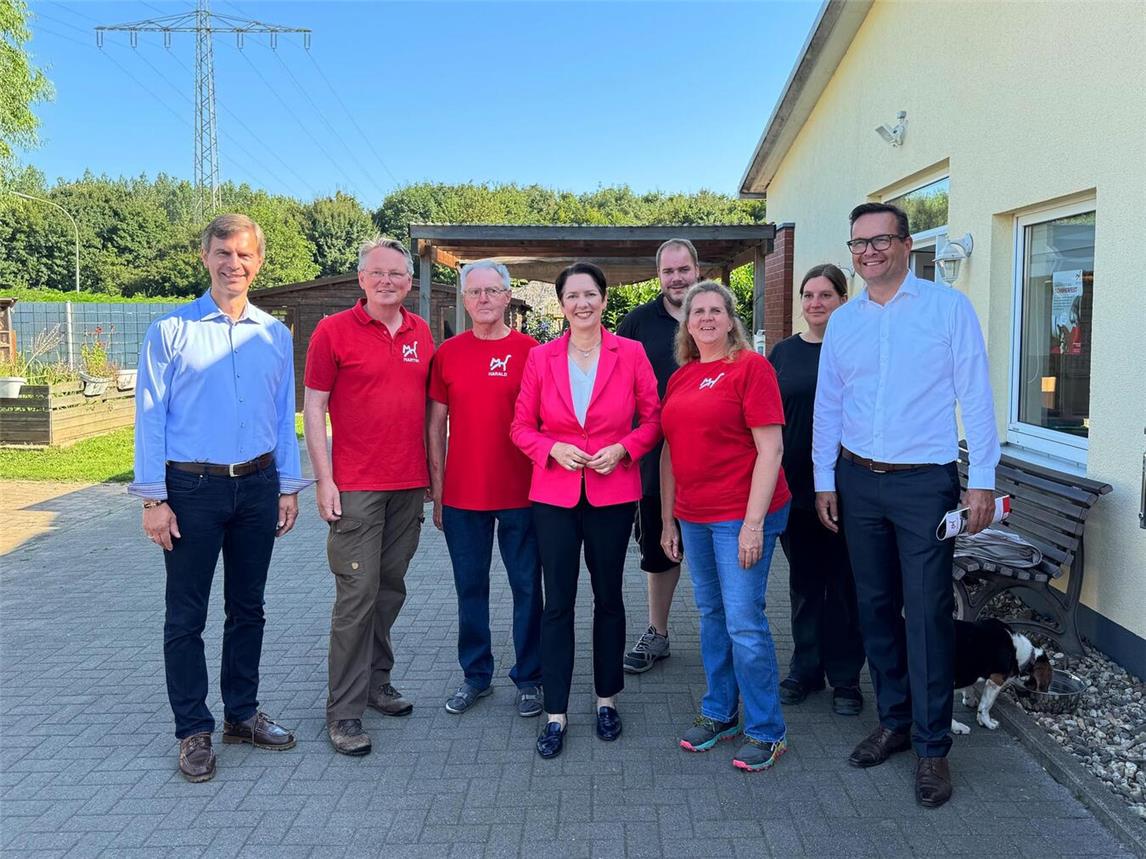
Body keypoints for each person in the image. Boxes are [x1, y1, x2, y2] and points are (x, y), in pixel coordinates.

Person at [813, 202, 1000, 808]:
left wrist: (982, 480)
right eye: (858, 243)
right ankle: (894, 720)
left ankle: (933, 746)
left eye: (880, 240)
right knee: (873, 606)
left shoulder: (947, 308)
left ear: (906, 243)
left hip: (926, 485)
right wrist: (825, 479)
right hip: (858, 480)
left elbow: (976, 393)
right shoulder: (844, 322)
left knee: (925, 612)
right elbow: (829, 406)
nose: (868, 252)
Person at [131, 213, 308, 783]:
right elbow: (150, 417)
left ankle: (241, 714)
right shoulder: (170, 331)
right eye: (223, 252)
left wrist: (288, 484)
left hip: (257, 486)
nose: (234, 264)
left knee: (248, 608)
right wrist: (153, 498)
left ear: (260, 262)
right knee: (186, 615)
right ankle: (193, 730)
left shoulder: (274, 335)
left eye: (245, 255)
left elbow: (284, 417)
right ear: (205, 257)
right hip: (192, 489)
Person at [511, 262, 661, 759]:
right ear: (561, 304)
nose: (582, 303)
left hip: (612, 493)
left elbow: (654, 419)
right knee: (557, 604)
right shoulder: (541, 357)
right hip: (554, 496)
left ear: (603, 299)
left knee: (609, 599)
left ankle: (606, 700)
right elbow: (520, 427)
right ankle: (555, 713)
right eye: (573, 295)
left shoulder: (632, 353)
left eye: (591, 294)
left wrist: (624, 450)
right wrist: (551, 449)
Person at [303, 236, 435, 757]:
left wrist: (433, 481)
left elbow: (430, 413)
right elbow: (314, 409)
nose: (387, 282)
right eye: (377, 273)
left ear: (408, 282)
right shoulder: (332, 332)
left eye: (397, 275)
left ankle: (378, 684)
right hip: (356, 486)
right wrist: (323, 478)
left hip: (408, 486)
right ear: (361, 279)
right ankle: (344, 712)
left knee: (389, 590)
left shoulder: (422, 333)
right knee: (356, 598)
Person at [659, 280, 792, 773]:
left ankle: (766, 730)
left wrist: (753, 525)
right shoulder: (682, 376)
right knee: (713, 616)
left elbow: (771, 450)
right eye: (699, 311)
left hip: (742, 514)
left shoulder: (751, 369)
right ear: (687, 322)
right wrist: (667, 517)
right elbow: (670, 452)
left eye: (717, 310)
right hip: (694, 515)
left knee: (744, 622)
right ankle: (720, 711)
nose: (707, 318)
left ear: (731, 319)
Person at [428, 260, 544, 719]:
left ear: (506, 295)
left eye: (491, 291)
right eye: (474, 292)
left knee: (526, 589)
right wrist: (438, 490)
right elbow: (436, 426)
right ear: (464, 297)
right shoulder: (448, 353)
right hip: (462, 496)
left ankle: (530, 677)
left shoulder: (532, 350)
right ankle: (476, 675)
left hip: (523, 493)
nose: (482, 299)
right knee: (469, 588)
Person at [769, 264, 865, 715]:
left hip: (849, 488)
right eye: (808, 295)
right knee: (805, 584)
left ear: (842, 300)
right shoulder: (784, 354)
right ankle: (805, 668)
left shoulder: (857, 351)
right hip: (795, 489)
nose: (815, 303)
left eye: (826, 295)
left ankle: (846, 678)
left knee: (844, 585)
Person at [617, 238, 698, 675]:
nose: (677, 278)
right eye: (669, 271)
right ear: (659, 275)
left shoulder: (714, 315)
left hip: (710, 460)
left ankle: (725, 635)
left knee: (713, 547)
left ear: (697, 270)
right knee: (658, 549)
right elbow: (614, 383)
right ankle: (658, 632)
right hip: (652, 460)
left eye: (684, 269)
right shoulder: (637, 323)